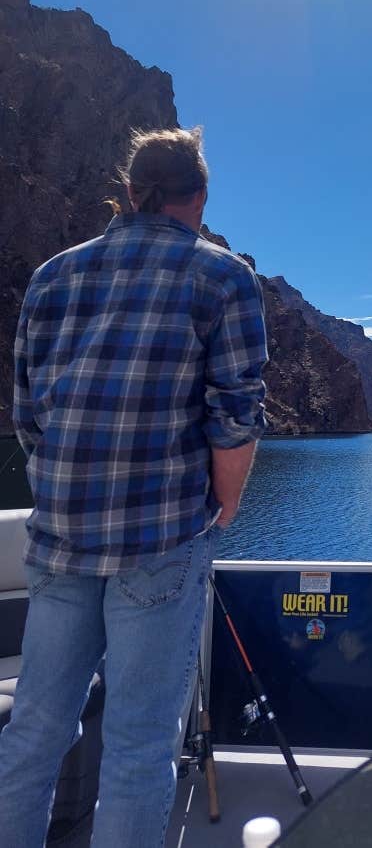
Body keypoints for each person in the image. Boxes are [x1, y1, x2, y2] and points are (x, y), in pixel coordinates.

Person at [0, 127, 268, 847]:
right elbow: (234, 417)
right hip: (161, 542)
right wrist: (227, 506)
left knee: (33, 735)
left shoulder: (55, 276)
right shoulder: (222, 276)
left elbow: (28, 414)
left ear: (126, 192)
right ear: (199, 197)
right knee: (138, 747)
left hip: (59, 541)